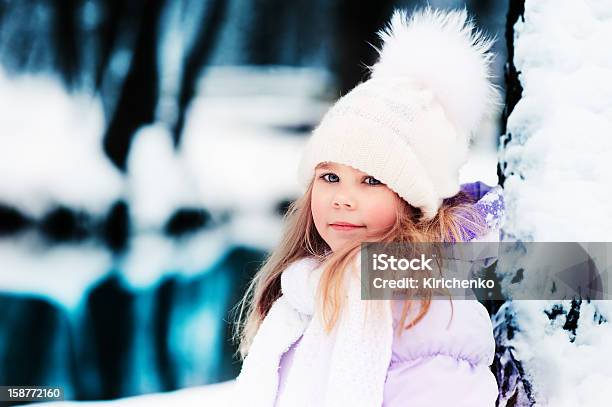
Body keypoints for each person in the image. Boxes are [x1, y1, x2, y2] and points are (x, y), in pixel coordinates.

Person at [232, 6, 504, 406]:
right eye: (329, 177)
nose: (343, 197)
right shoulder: (302, 290)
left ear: (415, 202)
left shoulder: (427, 302)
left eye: (372, 180)